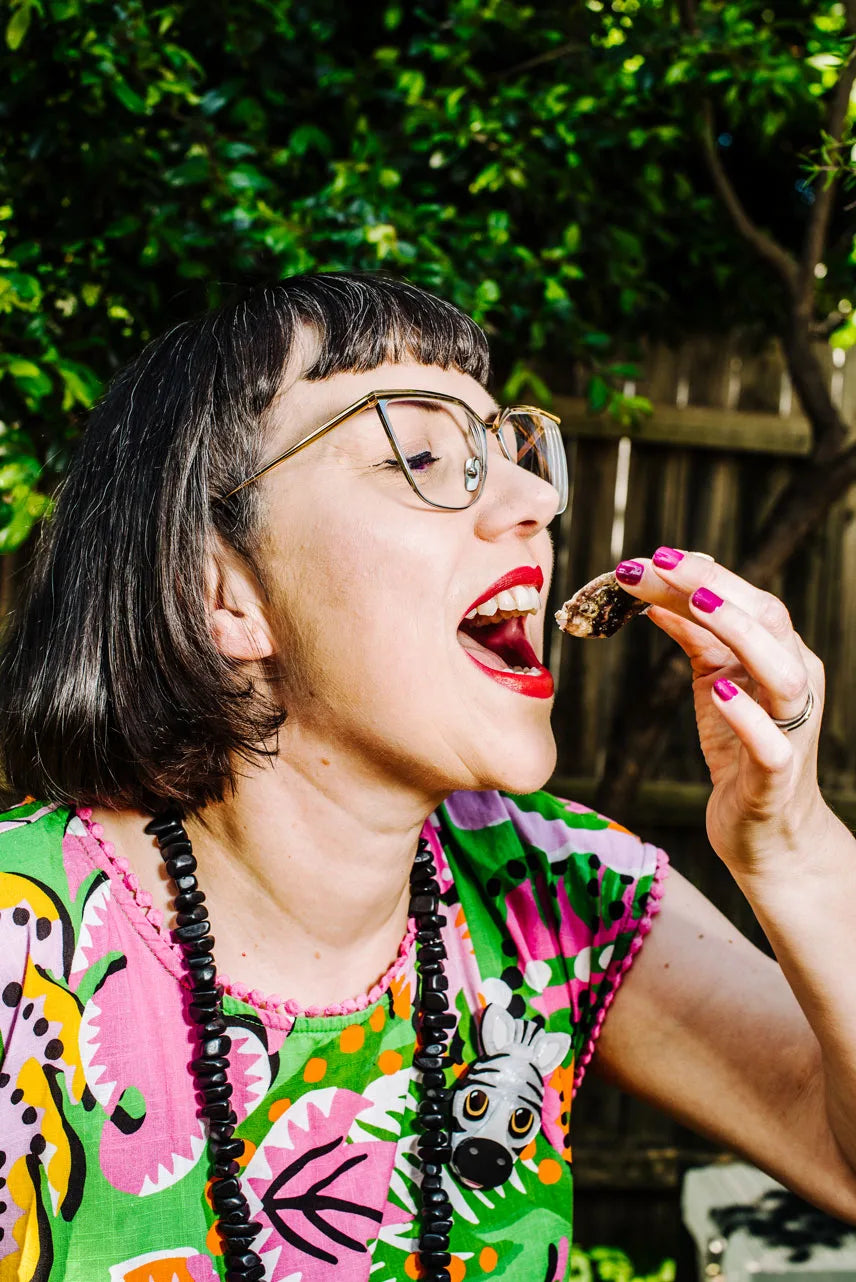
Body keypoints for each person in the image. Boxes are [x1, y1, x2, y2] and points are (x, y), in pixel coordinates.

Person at [0, 272, 854, 1282]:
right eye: (419, 454)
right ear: (222, 591)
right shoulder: (26, 948)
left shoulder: (562, 893)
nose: (535, 500)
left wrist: (791, 844)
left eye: (510, 453)